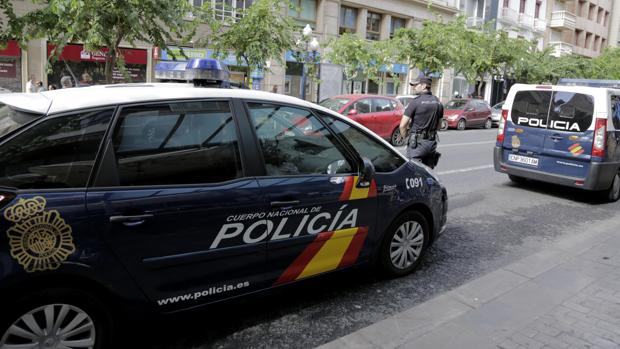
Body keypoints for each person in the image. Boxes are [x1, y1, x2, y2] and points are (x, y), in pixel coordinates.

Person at [399, 76, 444, 168]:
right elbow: (439, 126)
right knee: (428, 174)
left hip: (417, 145)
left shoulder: (415, 102)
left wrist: (405, 137)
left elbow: (402, 125)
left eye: (416, 85)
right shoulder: (438, 103)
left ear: (423, 86)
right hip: (431, 144)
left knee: (414, 173)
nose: (414, 87)